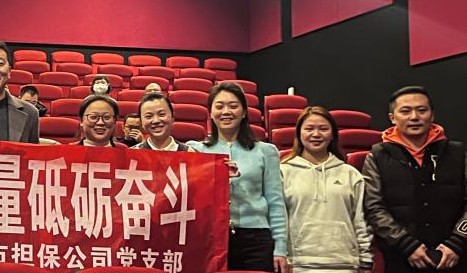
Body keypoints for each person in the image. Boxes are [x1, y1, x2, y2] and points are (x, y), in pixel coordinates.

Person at [188, 82, 289, 273]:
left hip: (256, 239)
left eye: (233, 106)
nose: (226, 112)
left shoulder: (266, 151)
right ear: (210, 113)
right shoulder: (196, 150)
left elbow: (275, 202)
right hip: (210, 238)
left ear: (244, 112)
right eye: (219, 106)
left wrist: (280, 248)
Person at [364, 86, 465, 273]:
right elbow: (373, 207)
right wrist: (407, 245)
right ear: (392, 118)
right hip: (401, 259)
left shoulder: (458, 153)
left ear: (432, 115)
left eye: (421, 110)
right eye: (405, 111)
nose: (414, 117)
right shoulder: (377, 156)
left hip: (455, 257)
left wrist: (457, 242)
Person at [280, 106, 372, 273]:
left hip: (345, 263)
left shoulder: (350, 174)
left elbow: (360, 220)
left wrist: (365, 259)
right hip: (298, 265)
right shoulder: (283, 172)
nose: (316, 134)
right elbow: (279, 220)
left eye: (323, 129)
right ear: (299, 134)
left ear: (333, 135)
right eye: (309, 129)